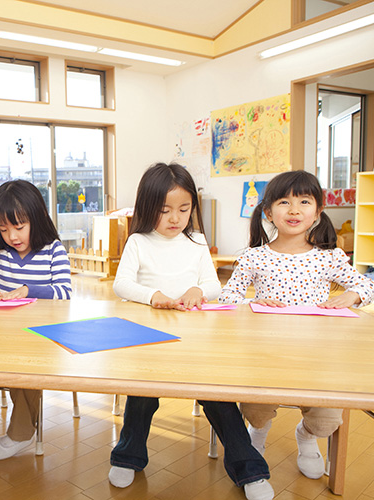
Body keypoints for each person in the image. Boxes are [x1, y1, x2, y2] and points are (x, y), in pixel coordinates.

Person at [108, 163, 274, 500]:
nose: (174, 218)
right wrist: (153, 296)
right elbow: (121, 284)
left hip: (196, 341)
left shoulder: (197, 241)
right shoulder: (138, 241)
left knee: (218, 398)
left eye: (183, 210)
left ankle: (250, 469)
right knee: (140, 397)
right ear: (147, 208)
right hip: (150, 340)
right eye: (164, 210)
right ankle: (128, 455)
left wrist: (199, 292)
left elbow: (212, 284)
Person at [219, 170, 374, 481]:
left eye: (304, 201)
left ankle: (306, 437)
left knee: (327, 418)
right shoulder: (254, 256)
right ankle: (257, 435)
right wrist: (252, 304)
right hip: (265, 352)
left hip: (317, 356)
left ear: (318, 212)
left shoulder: (327, 257)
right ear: (268, 212)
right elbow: (229, 295)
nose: (294, 210)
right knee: (256, 409)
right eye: (284, 202)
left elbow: (367, 286)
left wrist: (350, 296)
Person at [0, 179, 71, 460]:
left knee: (27, 367)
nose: (12, 236)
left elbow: (65, 292)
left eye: (19, 227)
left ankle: (22, 432)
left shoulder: (53, 250)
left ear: (37, 218)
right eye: (4, 228)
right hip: (0, 334)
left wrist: (26, 290)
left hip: (39, 336)